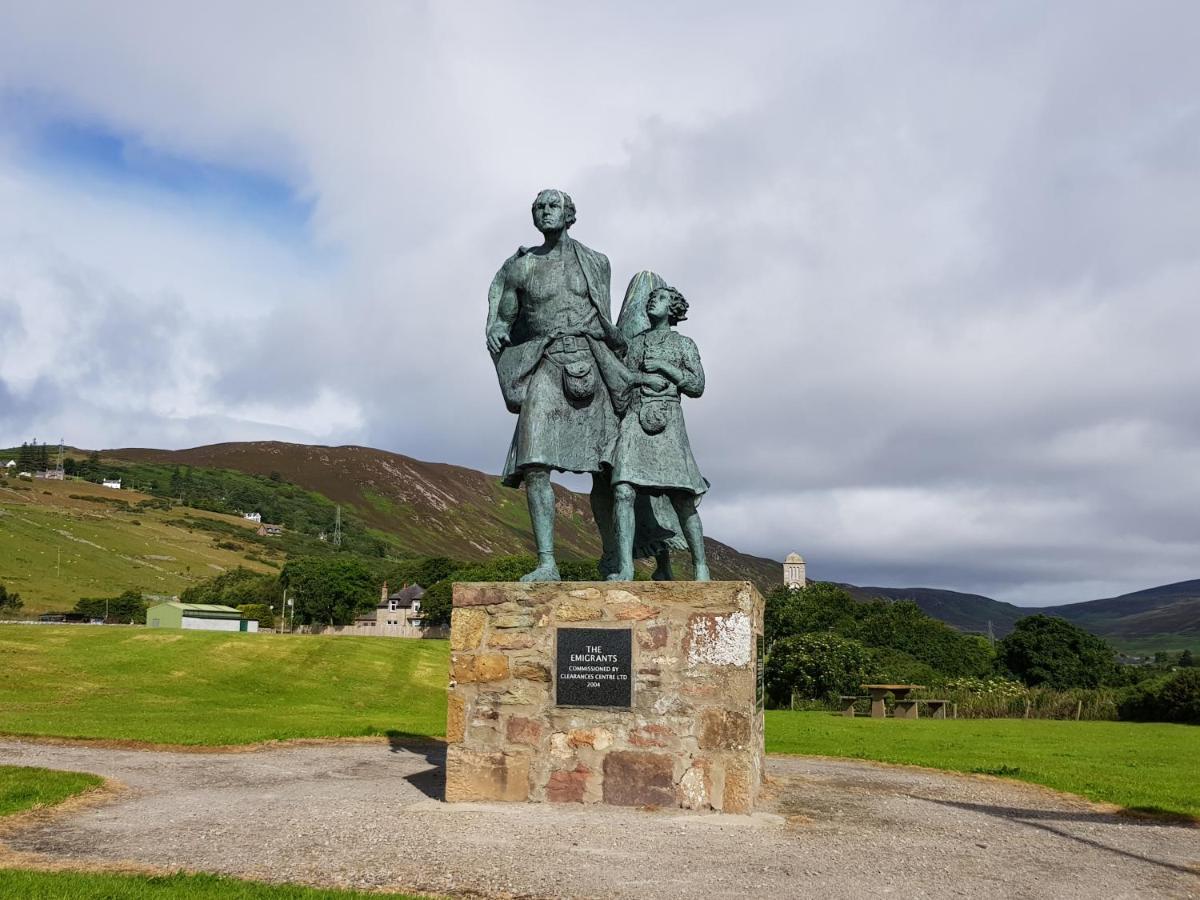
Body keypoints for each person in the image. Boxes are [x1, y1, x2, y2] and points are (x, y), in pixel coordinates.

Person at [485, 189, 629, 581]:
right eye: (539, 207)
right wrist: (498, 328)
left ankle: (614, 558)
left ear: (569, 216)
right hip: (545, 361)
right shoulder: (522, 268)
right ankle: (547, 562)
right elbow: (505, 317)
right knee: (534, 464)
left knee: (606, 467)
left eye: (554, 207)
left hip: (591, 361)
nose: (546, 212)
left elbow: (605, 316)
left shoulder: (597, 263)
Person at [607, 285, 709, 581]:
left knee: (683, 497)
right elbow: (623, 377)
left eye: (661, 297)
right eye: (652, 297)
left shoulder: (684, 344)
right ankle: (626, 566)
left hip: (668, 418)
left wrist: (665, 367)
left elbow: (697, 385)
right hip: (636, 416)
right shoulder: (636, 343)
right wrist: (643, 378)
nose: (654, 300)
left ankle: (700, 565)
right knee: (624, 490)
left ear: (673, 308)